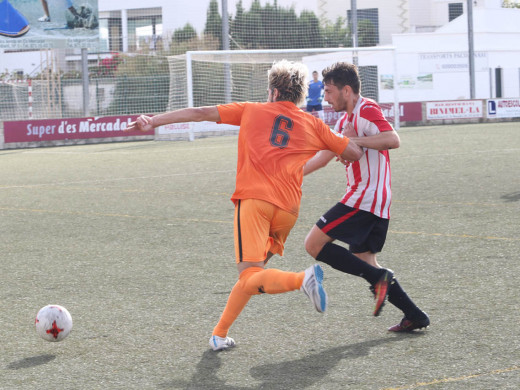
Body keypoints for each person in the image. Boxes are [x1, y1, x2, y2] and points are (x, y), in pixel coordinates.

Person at [127, 60, 364, 351]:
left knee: (250, 275)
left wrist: (153, 120)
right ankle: (219, 334)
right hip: (288, 210)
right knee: (253, 276)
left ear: (275, 93)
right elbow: (353, 152)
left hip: (255, 202)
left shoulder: (252, 110)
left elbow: (201, 112)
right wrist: (348, 136)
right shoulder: (313, 123)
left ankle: (301, 280)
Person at [303, 62, 430, 332]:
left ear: (346, 90)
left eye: (328, 91)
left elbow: (393, 139)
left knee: (313, 244)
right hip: (376, 200)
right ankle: (415, 315)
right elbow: (325, 156)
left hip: (364, 197)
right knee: (365, 262)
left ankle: (380, 278)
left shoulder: (366, 109)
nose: (325, 97)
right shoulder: (343, 121)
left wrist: (354, 141)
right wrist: (293, 175)